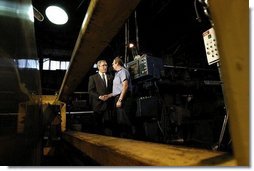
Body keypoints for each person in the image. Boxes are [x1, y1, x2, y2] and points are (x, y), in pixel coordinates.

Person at [106, 56, 134, 138]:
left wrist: (120, 100)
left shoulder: (123, 72)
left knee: (124, 121)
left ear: (117, 63)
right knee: (119, 121)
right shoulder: (117, 73)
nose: (112, 65)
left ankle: (129, 141)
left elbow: (125, 86)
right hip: (118, 97)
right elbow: (117, 90)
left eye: (113, 63)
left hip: (123, 98)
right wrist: (108, 96)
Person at [88, 60, 113, 134]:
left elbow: (112, 89)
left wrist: (109, 96)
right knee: (98, 127)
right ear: (98, 67)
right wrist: (99, 97)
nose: (105, 67)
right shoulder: (93, 77)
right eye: (103, 65)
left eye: (106, 65)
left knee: (109, 126)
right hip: (97, 105)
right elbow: (90, 90)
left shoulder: (110, 77)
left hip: (108, 104)